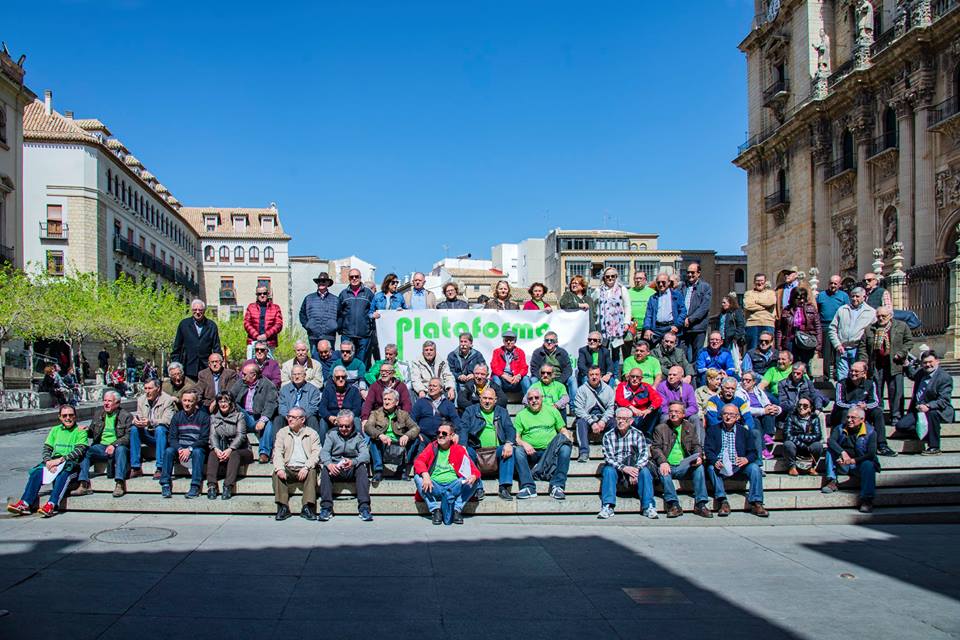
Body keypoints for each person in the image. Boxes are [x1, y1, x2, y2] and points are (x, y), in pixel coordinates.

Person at [7, 405, 88, 517]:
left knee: (63, 474)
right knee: (36, 473)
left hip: (71, 464)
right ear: (60, 417)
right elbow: (47, 449)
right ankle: (25, 503)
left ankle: (51, 504)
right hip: (54, 462)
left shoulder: (80, 431)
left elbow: (80, 450)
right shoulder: (55, 430)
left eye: (71, 415)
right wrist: (48, 461)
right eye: (64, 415)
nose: (68, 418)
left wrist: (60, 460)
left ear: (75, 416)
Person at [650, 401, 713, 519]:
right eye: (671, 412)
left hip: (684, 465)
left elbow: (696, 445)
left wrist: (698, 456)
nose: (673, 414)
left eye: (677, 412)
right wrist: (663, 461)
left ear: (683, 414)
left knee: (699, 467)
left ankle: (701, 503)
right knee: (663, 471)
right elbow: (655, 448)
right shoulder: (660, 428)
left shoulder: (689, 427)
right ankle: (673, 504)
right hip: (667, 464)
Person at [705, 403, 768, 517]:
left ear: (738, 417)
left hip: (740, 466)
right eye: (725, 414)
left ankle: (756, 502)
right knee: (710, 468)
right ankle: (722, 501)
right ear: (721, 415)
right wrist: (714, 461)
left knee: (755, 468)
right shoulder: (713, 430)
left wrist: (746, 459)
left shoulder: (744, 431)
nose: (728, 417)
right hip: (721, 466)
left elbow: (753, 452)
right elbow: (708, 450)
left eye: (732, 414)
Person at [413, 421, 480, 525]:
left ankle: (456, 509)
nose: (440, 435)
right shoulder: (432, 446)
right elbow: (419, 461)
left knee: (475, 480)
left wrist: (474, 476)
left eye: (444, 433)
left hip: (454, 486)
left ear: (452, 436)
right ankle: (435, 510)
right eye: (438, 433)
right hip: (434, 486)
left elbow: (474, 469)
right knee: (418, 478)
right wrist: (425, 475)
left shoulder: (458, 450)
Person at [597, 407, 657, 520]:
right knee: (608, 470)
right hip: (618, 469)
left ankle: (648, 506)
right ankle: (608, 505)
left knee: (645, 471)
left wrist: (635, 470)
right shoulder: (608, 435)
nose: (621, 421)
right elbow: (608, 457)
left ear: (631, 421)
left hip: (635, 467)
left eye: (624, 419)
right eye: (618, 418)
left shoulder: (638, 434)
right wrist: (624, 468)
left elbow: (644, 454)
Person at [512, 388, 573, 500]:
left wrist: (567, 437)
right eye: (530, 398)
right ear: (527, 401)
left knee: (565, 447)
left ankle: (557, 486)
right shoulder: (521, 415)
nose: (534, 401)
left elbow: (562, 429)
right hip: (532, 453)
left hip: (550, 451)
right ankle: (528, 487)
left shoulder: (552, 411)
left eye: (536, 398)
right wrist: (524, 444)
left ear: (542, 399)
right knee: (518, 450)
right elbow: (516, 438)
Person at [459, 387, 517, 501]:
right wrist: (462, 445)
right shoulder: (470, 411)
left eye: (490, 399)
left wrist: (509, 443)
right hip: (476, 449)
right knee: (466, 453)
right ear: (479, 399)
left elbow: (510, 429)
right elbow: (463, 428)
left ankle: (504, 487)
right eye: (484, 398)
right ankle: (477, 487)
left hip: (496, 450)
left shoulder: (502, 411)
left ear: (495, 400)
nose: (487, 401)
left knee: (509, 450)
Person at [858, 306, 912, 424]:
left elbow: (908, 342)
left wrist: (901, 353)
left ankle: (896, 416)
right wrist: (863, 362)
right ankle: (878, 416)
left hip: (894, 364)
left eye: (884, 316)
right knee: (876, 391)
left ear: (891, 315)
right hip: (876, 365)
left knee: (896, 391)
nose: (881, 318)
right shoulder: (869, 329)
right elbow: (863, 347)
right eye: (878, 316)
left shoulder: (901, 326)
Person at [895, 350, 954, 455]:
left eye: (930, 362)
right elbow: (912, 375)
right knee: (901, 426)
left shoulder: (944, 377)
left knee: (932, 413)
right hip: (919, 410)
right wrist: (906, 364)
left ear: (937, 361)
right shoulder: (921, 372)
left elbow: (944, 400)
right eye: (925, 362)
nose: (928, 365)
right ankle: (927, 431)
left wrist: (928, 406)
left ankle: (934, 447)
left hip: (938, 410)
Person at [74, 390, 132, 498]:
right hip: (101, 447)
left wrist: (114, 445)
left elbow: (128, 436)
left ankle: (119, 483)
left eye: (109, 401)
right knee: (85, 451)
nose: (106, 403)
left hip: (118, 447)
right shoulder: (99, 414)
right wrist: (85, 430)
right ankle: (83, 483)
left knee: (121, 449)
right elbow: (92, 432)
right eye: (105, 400)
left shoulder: (126, 416)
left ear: (117, 403)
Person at [830, 361, 894, 456]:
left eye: (856, 371)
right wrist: (854, 407)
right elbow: (839, 402)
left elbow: (875, 402)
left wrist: (866, 406)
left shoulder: (870, 383)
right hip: (845, 411)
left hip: (863, 411)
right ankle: (843, 443)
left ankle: (882, 445)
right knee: (845, 413)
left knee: (878, 412)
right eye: (851, 371)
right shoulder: (841, 384)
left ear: (864, 373)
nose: (853, 373)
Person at [822, 407, 879, 513]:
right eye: (848, 417)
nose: (849, 420)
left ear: (862, 419)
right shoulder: (840, 428)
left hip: (859, 464)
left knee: (869, 465)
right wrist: (842, 453)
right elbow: (831, 441)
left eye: (853, 418)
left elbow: (871, 454)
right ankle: (831, 481)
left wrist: (852, 461)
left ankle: (867, 500)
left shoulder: (871, 432)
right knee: (830, 450)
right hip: (842, 463)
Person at [319, 409, 373, 521]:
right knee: (325, 470)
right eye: (341, 426)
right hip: (335, 467)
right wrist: (329, 464)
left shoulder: (358, 436)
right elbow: (324, 453)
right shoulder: (331, 435)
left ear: (352, 424)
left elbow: (365, 455)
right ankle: (326, 508)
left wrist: (353, 462)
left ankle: (364, 508)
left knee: (362, 469)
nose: (344, 429)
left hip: (351, 468)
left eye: (347, 426)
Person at [272, 406, 321, 521]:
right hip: (288, 467)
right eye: (289, 416)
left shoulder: (312, 433)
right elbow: (277, 452)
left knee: (312, 471)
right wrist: (280, 468)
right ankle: (283, 507)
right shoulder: (282, 432)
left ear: (302, 420)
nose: (290, 419)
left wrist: (306, 467)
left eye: (293, 417)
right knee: (276, 473)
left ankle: (307, 506)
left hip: (304, 468)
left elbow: (316, 454)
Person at [160, 389, 210, 499]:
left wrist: (190, 449)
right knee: (168, 451)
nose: (187, 403)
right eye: (185, 400)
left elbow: (204, 439)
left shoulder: (204, 417)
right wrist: (180, 449)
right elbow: (172, 438)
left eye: (190, 401)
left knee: (198, 452)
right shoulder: (177, 417)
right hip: (181, 448)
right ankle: (165, 483)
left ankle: (195, 486)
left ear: (195, 402)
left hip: (196, 447)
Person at [205, 392, 254, 500]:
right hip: (222, 448)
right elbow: (213, 435)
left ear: (231, 403)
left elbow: (241, 436)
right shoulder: (213, 417)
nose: (223, 404)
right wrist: (216, 449)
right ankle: (212, 485)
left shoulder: (239, 416)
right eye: (220, 401)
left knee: (234, 454)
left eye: (226, 401)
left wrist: (230, 449)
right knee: (213, 453)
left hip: (241, 450)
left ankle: (228, 486)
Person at [364, 388, 420, 482]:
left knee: (416, 439)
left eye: (389, 399)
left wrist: (406, 435)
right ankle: (378, 471)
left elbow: (416, 428)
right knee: (373, 439)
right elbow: (368, 427)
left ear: (396, 402)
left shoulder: (403, 414)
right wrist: (380, 435)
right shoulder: (376, 413)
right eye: (385, 399)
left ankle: (401, 470)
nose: (386, 402)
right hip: (383, 444)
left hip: (399, 445)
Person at [229, 363, 279, 463]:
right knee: (233, 404)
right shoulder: (241, 383)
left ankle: (264, 453)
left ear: (254, 375)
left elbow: (271, 403)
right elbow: (230, 395)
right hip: (244, 416)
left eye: (244, 374)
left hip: (259, 416)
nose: (242, 376)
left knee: (268, 423)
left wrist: (263, 420)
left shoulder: (268, 385)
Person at [705, 376, 760, 464]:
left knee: (755, 432)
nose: (730, 391)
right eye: (727, 388)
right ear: (722, 388)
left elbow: (748, 418)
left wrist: (744, 428)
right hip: (719, 429)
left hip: (738, 430)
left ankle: (758, 463)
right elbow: (713, 420)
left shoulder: (740, 401)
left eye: (732, 389)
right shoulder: (713, 401)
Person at [130, 379, 176, 480]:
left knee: (160, 429)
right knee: (134, 429)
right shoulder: (141, 399)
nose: (147, 391)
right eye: (145, 388)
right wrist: (136, 421)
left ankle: (160, 467)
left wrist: (150, 421)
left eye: (150, 388)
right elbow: (139, 415)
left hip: (162, 435)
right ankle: (135, 467)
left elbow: (168, 421)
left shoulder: (167, 400)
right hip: (147, 433)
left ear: (158, 389)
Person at [828, 287, 877, 380]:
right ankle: (842, 394)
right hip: (842, 349)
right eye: (853, 296)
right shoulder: (842, 309)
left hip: (858, 350)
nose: (854, 299)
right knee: (842, 378)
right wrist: (837, 345)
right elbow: (832, 329)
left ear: (864, 297)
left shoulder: (871, 312)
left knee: (857, 378)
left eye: (857, 296)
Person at [573, 366, 617, 463]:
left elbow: (611, 408)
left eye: (596, 374)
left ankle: (611, 451)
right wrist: (592, 422)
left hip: (602, 416)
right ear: (588, 376)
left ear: (600, 376)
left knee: (613, 422)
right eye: (591, 375)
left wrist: (603, 420)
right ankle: (584, 452)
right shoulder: (582, 389)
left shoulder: (608, 389)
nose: (594, 377)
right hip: (588, 417)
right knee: (580, 422)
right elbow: (579, 409)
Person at [171, 299, 222, 381]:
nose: (197, 312)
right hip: (187, 368)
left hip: (206, 368)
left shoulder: (211, 326)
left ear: (204, 311)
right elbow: (177, 348)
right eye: (195, 310)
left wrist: (218, 363)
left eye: (200, 310)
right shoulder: (184, 325)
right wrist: (176, 365)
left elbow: (216, 347)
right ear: (191, 310)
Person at [737, 370, 780, 460]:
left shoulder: (759, 391)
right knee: (755, 421)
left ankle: (768, 434)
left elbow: (766, 403)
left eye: (748, 380)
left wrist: (775, 409)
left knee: (770, 412)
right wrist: (763, 411)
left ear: (754, 382)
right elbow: (745, 409)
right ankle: (763, 449)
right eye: (743, 380)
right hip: (749, 416)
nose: (745, 382)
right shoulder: (739, 392)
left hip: (762, 413)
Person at [776, 285, 821, 369]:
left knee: (807, 366)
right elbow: (780, 330)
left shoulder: (811, 309)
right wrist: (779, 346)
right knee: (792, 366)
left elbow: (818, 327)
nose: (802, 301)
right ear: (793, 298)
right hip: (791, 341)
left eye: (803, 298)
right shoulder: (786, 310)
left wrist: (818, 347)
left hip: (807, 341)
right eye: (799, 298)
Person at [816, 275, 851, 381]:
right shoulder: (821, 295)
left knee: (838, 353)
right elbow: (816, 310)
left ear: (839, 285)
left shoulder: (844, 296)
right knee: (826, 353)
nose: (833, 285)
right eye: (831, 283)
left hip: (839, 328)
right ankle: (826, 376)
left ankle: (838, 376)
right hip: (825, 327)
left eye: (835, 283)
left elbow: (847, 311)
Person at [596, 267, 634, 366]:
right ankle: (604, 372)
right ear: (604, 278)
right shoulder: (598, 290)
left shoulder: (622, 289)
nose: (610, 278)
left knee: (616, 352)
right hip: (603, 327)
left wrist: (626, 322)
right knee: (603, 351)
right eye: (607, 276)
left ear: (616, 277)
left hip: (617, 327)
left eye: (613, 276)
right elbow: (594, 305)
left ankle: (616, 375)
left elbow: (627, 306)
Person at [338, 268, 375, 365]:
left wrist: (370, 329)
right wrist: (340, 329)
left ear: (360, 278)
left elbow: (374, 310)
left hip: (364, 334)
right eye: (351, 277)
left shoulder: (368, 293)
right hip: (347, 334)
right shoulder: (343, 294)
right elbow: (339, 313)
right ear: (348, 278)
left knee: (362, 361)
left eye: (356, 276)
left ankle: (361, 379)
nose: (354, 278)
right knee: (346, 360)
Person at [299, 271, 339, 360]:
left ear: (328, 283)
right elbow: (302, 314)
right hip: (313, 336)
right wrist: (308, 326)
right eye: (319, 281)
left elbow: (341, 316)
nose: (321, 283)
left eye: (324, 281)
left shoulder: (336, 299)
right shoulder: (309, 298)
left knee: (330, 359)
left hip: (330, 336)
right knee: (314, 359)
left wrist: (335, 326)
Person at [319, 365, 364, 443]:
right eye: (338, 377)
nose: (340, 379)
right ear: (333, 378)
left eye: (343, 377)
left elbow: (357, 409)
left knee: (356, 420)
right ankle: (323, 449)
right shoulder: (327, 390)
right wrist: (329, 417)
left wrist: (345, 418)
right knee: (323, 421)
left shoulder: (354, 390)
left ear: (346, 378)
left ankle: (359, 446)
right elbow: (322, 408)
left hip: (348, 419)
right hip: (333, 419)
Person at [656, 365, 701, 441]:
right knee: (664, 418)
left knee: (695, 418)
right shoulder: (662, 386)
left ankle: (698, 445)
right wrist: (675, 413)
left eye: (674, 375)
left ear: (681, 376)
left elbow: (693, 406)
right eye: (669, 374)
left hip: (684, 413)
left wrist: (682, 413)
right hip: (669, 414)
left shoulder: (688, 387)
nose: (671, 377)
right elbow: (663, 407)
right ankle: (664, 443)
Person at [680, 261, 713, 364]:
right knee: (684, 355)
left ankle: (695, 378)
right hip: (683, 327)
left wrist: (690, 319)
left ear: (698, 273)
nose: (690, 275)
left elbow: (704, 307)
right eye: (688, 272)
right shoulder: (682, 286)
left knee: (697, 355)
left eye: (693, 272)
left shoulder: (705, 287)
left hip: (698, 327)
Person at [411, 378, 461, 444]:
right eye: (430, 386)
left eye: (434, 386)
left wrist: (456, 434)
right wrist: (416, 433)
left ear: (441, 389)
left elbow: (456, 421)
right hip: (423, 437)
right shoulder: (420, 402)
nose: (431, 388)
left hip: (442, 436)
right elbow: (412, 419)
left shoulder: (448, 404)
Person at [614, 368, 663, 435]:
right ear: (628, 377)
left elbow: (658, 399)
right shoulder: (622, 386)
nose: (634, 379)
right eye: (632, 376)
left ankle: (648, 434)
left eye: (637, 377)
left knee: (658, 409)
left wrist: (649, 410)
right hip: (627, 416)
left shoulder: (646, 386)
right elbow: (619, 399)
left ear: (641, 378)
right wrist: (632, 408)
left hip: (642, 415)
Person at [529, 331, 576, 399]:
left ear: (556, 342)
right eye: (547, 340)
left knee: (572, 380)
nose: (549, 342)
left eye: (552, 340)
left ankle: (573, 407)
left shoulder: (563, 353)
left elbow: (568, 369)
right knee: (533, 380)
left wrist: (560, 381)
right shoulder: (537, 352)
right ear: (544, 342)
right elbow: (534, 369)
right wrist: (544, 379)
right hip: (543, 377)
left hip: (559, 378)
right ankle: (532, 403)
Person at [642, 272, 686, 345]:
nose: (661, 284)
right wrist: (647, 329)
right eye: (658, 282)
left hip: (671, 328)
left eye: (663, 282)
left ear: (668, 282)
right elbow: (648, 315)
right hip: (656, 329)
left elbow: (683, 312)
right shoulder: (653, 298)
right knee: (655, 354)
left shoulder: (677, 295)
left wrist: (677, 325)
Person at [783, 398, 824, 476]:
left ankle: (812, 467)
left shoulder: (815, 419)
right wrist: (802, 445)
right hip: (796, 446)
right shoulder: (791, 417)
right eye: (799, 405)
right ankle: (792, 467)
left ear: (810, 408)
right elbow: (787, 435)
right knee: (788, 444)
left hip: (809, 446)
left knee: (818, 446)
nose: (801, 408)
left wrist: (800, 436)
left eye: (805, 406)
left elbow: (818, 435)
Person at [278, 365, 322, 432]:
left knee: (313, 419)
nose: (297, 377)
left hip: (305, 417)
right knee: (278, 419)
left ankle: (314, 442)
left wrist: (300, 418)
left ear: (304, 375)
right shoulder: (284, 389)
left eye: (299, 374)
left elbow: (313, 408)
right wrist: (289, 417)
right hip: (289, 417)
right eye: (294, 374)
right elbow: (282, 406)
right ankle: (277, 442)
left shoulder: (313, 390)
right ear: (291, 376)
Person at [243, 285, 284, 357]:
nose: (262, 295)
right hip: (253, 342)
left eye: (264, 293)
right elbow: (247, 323)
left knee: (269, 366)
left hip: (269, 342)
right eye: (259, 294)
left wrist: (266, 335)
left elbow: (278, 325)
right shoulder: (251, 307)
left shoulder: (275, 308)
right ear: (256, 295)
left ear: (268, 294)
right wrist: (257, 336)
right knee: (251, 366)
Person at [743, 272, 777, 351]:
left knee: (768, 348)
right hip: (752, 323)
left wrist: (757, 301)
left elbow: (771, 302)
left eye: (762, 281)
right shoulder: (748, 293)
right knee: (752, 348)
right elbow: (748, 306)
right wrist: (765, 307)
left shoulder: (771, 293)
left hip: (768, 323)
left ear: (765, 282)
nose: (760, 283)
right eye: (757, 281)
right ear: (754, 282)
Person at [447, 332, 486, 398]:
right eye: (461, 342)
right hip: (457, 381)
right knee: (452, 384)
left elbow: (484, 368)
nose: (463, 344)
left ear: (471, 344)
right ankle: (456, 407)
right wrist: (458, 376)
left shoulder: (477, 355)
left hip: (472, 380)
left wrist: (474, 375)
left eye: (465, 342)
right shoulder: (452, 355)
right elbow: (449, 371)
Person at [490, 330, 530, 395]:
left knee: (526, 379)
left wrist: (518, 376)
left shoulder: (520, 352)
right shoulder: (497, 351)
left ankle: (529, 401)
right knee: (495, 378)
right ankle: (497, 402)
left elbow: (524, 368)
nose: (508, 342)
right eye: (506, 340)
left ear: (515, 341)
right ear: (503, 341)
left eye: (511, 340)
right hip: (502, 379)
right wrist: (504, 376)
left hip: (515, 380)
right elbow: (494, 366)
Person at [626, 271, 655, 350]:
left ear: (645, 280)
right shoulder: (627, 293)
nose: (638, 280)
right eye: (636, 278)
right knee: (630, 353)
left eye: (640, 278)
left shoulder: (652, 293)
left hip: (647, 329)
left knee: (646, 352)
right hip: (631, 329)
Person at [717, 294, 745, 361]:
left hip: (731, 339)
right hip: (722, 339)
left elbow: (741, 325)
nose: (722, 304)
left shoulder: (736, 312)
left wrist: (735, 337)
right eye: (722, 303)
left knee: (733, 357)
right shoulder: (722, 314)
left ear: (730, 303)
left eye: (724, 302)